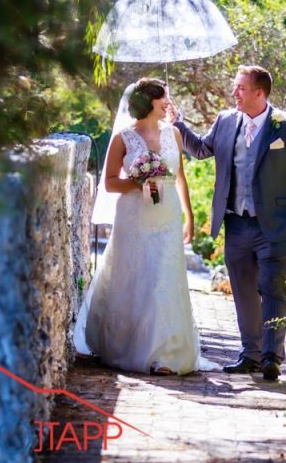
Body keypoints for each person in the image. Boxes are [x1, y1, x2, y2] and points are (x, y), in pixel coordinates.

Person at [169, 65, 286, 382]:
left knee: (273, 289)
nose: (234, 92)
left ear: (259, 93)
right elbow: (201, 149)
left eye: (240, 87)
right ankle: (250, 355)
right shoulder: (225, 121)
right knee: (243, 291)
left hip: (275, 225)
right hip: (235, 224)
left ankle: (271, 357)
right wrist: (177, 124)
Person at [76, 78, 220, 375]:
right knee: (134, 276)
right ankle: (125, 345)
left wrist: (189, 217)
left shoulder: (174, 135)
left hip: (167, 214)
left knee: (164, 278)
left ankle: (165, 354)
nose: (168, 102)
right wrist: (139, 180)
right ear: (150, 102)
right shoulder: (124, 138)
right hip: (133, 214)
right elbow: (110, 183)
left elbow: (180, 177)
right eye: (164, 97)